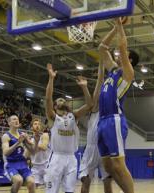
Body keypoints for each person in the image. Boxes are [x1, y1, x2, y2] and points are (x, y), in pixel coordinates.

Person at [96, 17, 139, 193]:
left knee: (119, 165)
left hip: (114, 119)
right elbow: (101, 48)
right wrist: (114, 28)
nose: (118, 54)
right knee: (108, 166)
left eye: (123, 55)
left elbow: (121, 47)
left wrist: (120, 26)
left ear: (128, 59)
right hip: (102, 120)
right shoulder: (113, 70)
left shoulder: (128, 73)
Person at [44, 63, 92, 193]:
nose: (61, 100)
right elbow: (48, 98)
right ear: (54, 106)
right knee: (51, 191)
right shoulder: (52, 117)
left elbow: (89, 105)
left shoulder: (73, 116)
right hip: (56, 157)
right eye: (58, 100)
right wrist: (51, 78)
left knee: (69, 191)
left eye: (63, 99)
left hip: (71, 158)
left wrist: (84, 88)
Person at [79, 62, 112, 193]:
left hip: (106, 149)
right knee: (86, 180)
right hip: (91, 148)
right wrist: (102, 61)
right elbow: (100, 79)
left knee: (108, 182)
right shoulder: (95, 108)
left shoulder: (110, 110)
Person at [2, 115, 37, 193]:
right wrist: (18, 142)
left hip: (23, 163)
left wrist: (36, 140)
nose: (16, 120)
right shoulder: (6, 136)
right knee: (18, 181)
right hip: (11, 164)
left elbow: (33, 151)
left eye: (17, 119)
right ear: (9, 123)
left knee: (32, 182)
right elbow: (6, 153)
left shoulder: (23, 134)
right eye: (14, 119)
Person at [27, 118, 50, 187]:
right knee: (33, 186)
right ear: (31, 127)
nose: (37, 125)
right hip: (35, 166)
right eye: (35, 124)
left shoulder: (44, 135)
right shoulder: (30, 139)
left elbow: (44, 147)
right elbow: (30, 153)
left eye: (39, 124)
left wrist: (30, 144)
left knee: (49, 187)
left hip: (46, 165)